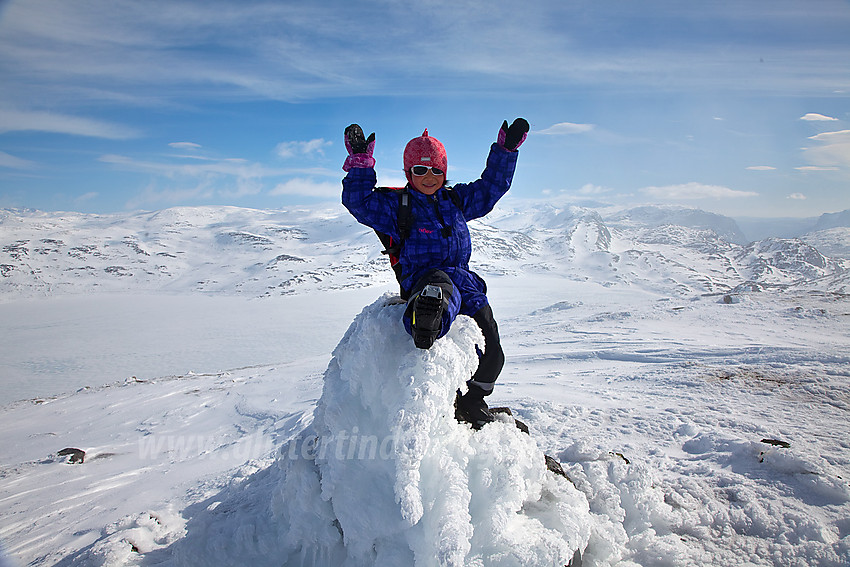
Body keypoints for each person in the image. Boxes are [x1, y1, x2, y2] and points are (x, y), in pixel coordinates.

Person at [341, 118, 529, 428]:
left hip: (464, 281)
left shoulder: (455, 200)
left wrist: (505, 151)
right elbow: (358, 202)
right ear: (408, 172)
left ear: (444, 172)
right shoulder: (396, 206)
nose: (429, 177)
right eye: (420, 170)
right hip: (424, 277)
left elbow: (491, 188)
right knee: (438, 291)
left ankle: (473, 401)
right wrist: (361, 165)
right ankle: (424, 322)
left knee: (493, 348)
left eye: (436, 171)